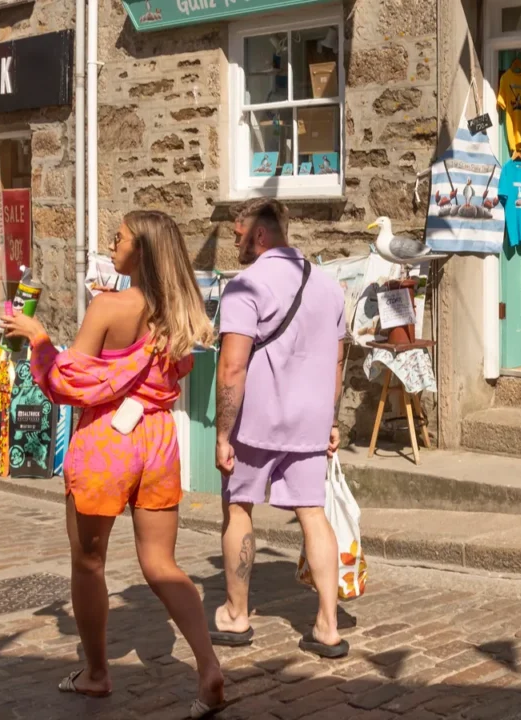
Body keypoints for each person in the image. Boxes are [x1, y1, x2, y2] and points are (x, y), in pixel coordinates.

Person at [2, 211, 225, 718]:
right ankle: (208, 665)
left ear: (140, 251)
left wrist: (37, 336)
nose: (111, 242)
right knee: (161, 563)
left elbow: (67, 382)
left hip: (107, 441)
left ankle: (97, 674)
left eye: (119, 238)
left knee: (88, 562)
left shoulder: (108, 306)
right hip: (157, 440)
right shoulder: (181, 311)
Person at [211, 198, 348, 659]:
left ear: (260, 235)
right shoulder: (330, 287)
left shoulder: (245, 286)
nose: (234, 241)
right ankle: (328, 625)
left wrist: (222, 434)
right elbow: (338, 358)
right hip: (309, 421)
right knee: (313, 513)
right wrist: (330, 417)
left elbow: (232, 368)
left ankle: (236, 613)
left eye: (237, 234)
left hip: (257, 422)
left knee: (239, 510)